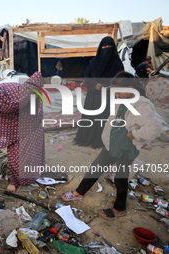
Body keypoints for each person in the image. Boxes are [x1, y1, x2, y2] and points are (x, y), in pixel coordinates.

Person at [62, 71, 162, 219]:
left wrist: (135, 135)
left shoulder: (142, 104)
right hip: (112, 143)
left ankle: (119, 208)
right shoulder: (121, 100)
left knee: (120, 179)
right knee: (95, 167)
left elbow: (155, 128)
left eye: (118, 91)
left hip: (126, 148)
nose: (116, 94)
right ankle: (79, 192)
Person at [73, 36, 124, 149]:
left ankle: (100, 141)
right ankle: (86, 139)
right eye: (104, 46)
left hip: (109, 96)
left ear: (113, 48)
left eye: (109, 46)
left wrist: (114, 86)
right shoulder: (93, 62)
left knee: (104, 119)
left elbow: (121, 79)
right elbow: (86, 78)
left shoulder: (117, 64)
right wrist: (94, 85)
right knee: (90, 118)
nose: (106, 49)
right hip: (93, 96)